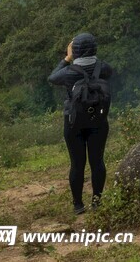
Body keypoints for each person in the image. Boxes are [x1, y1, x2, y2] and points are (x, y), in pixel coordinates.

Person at [48, 32, 113, 215]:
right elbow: (107, 74)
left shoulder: (68, 73)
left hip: (73, 122)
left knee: (77, 164)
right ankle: (97, 202)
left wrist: (67, 59)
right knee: (97, 161)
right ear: (94, 48)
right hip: (98, 122)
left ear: (74, 50)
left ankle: (78, 205)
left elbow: (52, 78)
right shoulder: (104, 68)